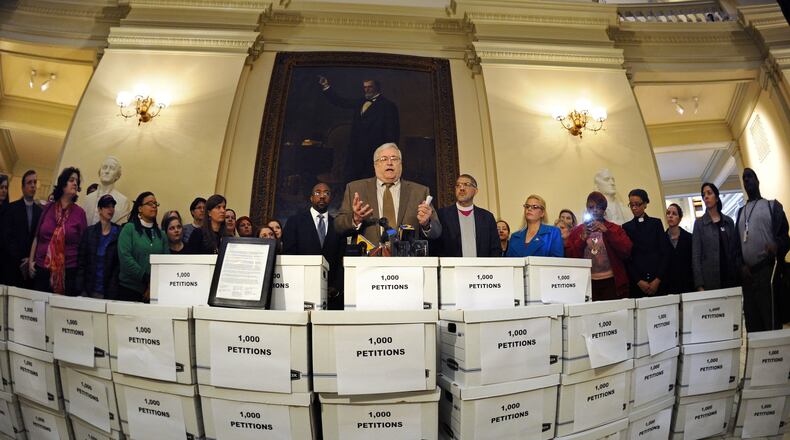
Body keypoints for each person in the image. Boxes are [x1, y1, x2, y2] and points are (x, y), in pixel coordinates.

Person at [336, 143, 441, 245]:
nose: (389, 163)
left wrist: (427, 224)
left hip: (407, 259)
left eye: (394, 159)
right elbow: (338, 227)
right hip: (368, 259)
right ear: (375, 165)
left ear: (401, 164)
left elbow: (436, 232)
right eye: (384, 159)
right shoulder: (355, 189)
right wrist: (355, 219)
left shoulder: (420, 192)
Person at [736, 168, 790, 331]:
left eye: (750, 177)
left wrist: (776, 246)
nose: (747, 181)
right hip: (748, 277)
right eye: (744, 178)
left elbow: (786, 238)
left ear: (757, 181)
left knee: (771, 322)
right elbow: (736, 247)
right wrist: (740, 265)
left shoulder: (772, 206)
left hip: (768, 273)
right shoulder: (740, 212)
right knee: (753, 326)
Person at [319, 77, 400, 182]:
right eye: (365, 87)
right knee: (352, 181)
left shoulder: (388, 106)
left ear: (377, 88)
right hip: (356, 151)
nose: (366, 90)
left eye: (370, 87)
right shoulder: (361, 101)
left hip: (375, 153)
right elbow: (341, 102)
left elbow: (392, 132)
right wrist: (326, 86)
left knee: (371, 182)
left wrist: (388, 154)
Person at [282, 182, 345, 308]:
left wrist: (336, 287)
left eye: (326, 193)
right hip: (301, 291)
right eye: (318, 192)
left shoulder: (338, 224)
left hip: (330, 294)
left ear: (330, 198)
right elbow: (289, 255)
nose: (322, 196)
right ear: (311, 197)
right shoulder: (295, 222)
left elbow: (341, 260)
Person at [28, 167, 88, 295]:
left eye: (77, 181)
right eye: (71, 180)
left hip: (68, 271)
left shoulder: (80, 213)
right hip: (42, 267)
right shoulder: (48, 208)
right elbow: (37, 237)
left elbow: (84, 246)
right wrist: (31, 262)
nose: (75, 183)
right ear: (62, 184)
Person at [565, 191, 633, 300]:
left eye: (599, 207)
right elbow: (570, 257)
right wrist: (582, 238)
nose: (595, 210)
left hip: (612, 282)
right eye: (591, 207)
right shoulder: (577, 231)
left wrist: (607, 232)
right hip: (586, 283)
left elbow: (626, 251)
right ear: (587, 208)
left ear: (604, 210)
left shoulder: (614, 228)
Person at [117, 192, 168, 302]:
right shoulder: (129, 229)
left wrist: (152, 285)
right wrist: (146, 278)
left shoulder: (162, 235)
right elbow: (125, 257)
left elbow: (166, 262)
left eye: (155, 203)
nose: (154, 206)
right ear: (140, 208)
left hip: (154, 291)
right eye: (150, 203)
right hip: (129, 289)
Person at [692, 182, 741, 291]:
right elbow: (696, 256)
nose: (706, 197)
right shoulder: (699, 224)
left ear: (717, 197)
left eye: (709, 193)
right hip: (710, 280)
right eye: (704, 195)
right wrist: (699, 285)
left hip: (730, 277)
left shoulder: (728, 221)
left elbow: (735, 250)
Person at [434, 174, 499, 257]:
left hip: (481, 268)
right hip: (452, 268)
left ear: (475, 191)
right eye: (458, 185)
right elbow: (436, 247)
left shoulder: (487, 217)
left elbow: (495, 248)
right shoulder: (442, 215)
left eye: (466, 185)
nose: (461, 188)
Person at [622, 189, 671, 298]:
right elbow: (627, 258)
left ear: (645, 204)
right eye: (631, 205)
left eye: (637, 204)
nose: (634, 208)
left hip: (658, 281)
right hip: (638, 283)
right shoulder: (626, 227)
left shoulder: (656, 223)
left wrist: (657, 279)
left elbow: (665, 252)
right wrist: (639, 281)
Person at [76, 194, 120, 298]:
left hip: (109, 290)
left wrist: (113, 289)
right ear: (99, 209)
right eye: (107, 206)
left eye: (113, 206)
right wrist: (80, 289)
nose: (111, 209)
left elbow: (119, 265)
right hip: (88, 289)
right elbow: (81, 262)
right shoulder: (89, 232)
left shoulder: (119, 232)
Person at [2, 170, 41, 288]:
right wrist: (21, 259)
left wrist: (30, 259)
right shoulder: (11, 208)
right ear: (23, 187)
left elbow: (39, 238)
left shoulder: (41, 212)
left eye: (34, 182)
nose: (33, 185)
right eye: (29, 182)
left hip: (31, 267)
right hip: (12, 265)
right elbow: (7, 238)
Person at [80, 156, 131, 225]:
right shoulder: (88, 199)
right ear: (100, 172)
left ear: (117, 175)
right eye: (104, 167)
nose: (107, 171)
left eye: (112, 168)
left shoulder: (123, 201)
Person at [664, 203, 694, 295]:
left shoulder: (689, 238)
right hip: (668, 287)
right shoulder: (661, 238)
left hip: (688, 285)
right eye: (668, 213)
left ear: (680, 218)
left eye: (674, 214)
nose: (670, 216)